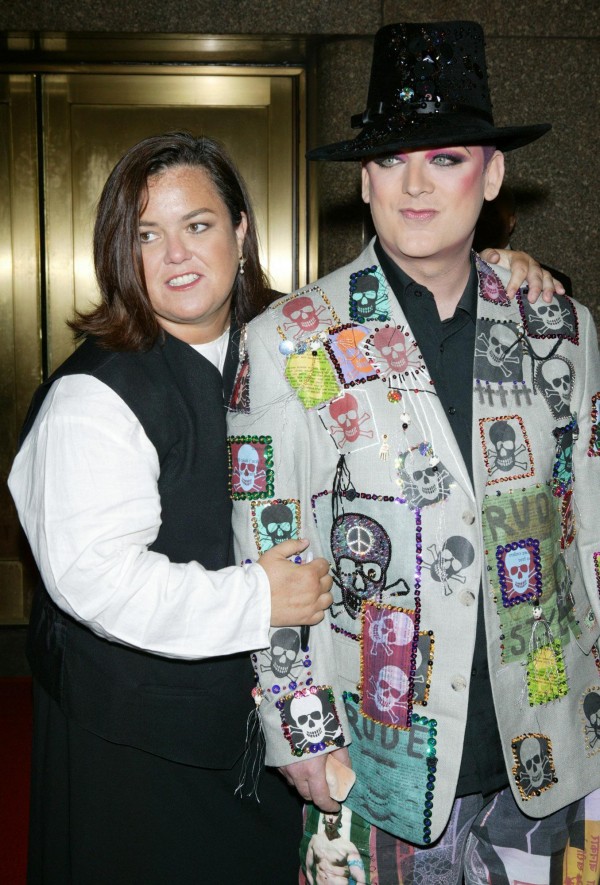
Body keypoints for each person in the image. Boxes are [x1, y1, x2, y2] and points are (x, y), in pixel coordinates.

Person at [229, 21, 600, 883]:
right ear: (364, 181)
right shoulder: (291, 342)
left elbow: (589, 529)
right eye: (392, 161)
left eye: (445, 158)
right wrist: (301, 732)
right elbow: (274, 550)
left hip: (551, 746)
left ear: (492, 173)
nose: (416, 186)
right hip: (383, 760)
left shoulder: (564, 331)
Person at [7, 132, 336, 884]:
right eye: (147, 234)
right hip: (137, 751)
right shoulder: (93, 396)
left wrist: (507, 279)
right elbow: (98, 580)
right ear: (122, 252)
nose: (176, 255)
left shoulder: (288, 347)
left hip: (266, 736)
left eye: (198, 225)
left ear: (242, 231)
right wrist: (261, 595)